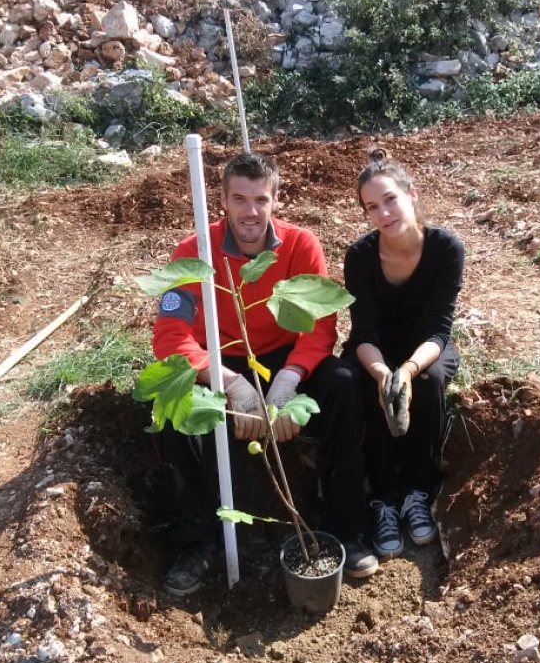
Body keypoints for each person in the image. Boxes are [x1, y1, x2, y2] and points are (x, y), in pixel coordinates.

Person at [150, 152, 378, 596]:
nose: (250, 211)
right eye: (239, 199)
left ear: (275, 200)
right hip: (222, 363)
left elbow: (319, 323)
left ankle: (346, 527)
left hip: (283, 357)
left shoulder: (299, 245)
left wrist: (290, 380)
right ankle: (196, 542)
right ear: (222, 199)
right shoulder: (191, 254)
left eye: (260, 199)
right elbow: (170, 337)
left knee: (345, 384)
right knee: (167, 403)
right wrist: (229, 384)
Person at [342, 149, 464, 560]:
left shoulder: (446, 249)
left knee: (427, 386)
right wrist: (382, 375)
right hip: (374, 348)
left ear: (411, 195)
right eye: (372, 207)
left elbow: (438, 328)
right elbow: (362, 331)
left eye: (390, 199)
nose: (383, 213)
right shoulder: (360, 256)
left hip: (425, 348)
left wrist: (408, 372)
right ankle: (382, 499)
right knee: (360, 389)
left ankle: (417, 490)